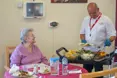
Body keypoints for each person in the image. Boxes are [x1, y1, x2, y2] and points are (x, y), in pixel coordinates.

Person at [80, 2, 116, 78]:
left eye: (94, 13)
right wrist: (83, 40)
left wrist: (109, 40)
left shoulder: (106, 20)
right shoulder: (86, 19)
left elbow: (113, 34)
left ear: (98, 9)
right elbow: (82, 33)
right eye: (90, 13)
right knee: (86, 72)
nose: (92, 15)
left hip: (99, 52)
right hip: (87, 52)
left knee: (98, 73)